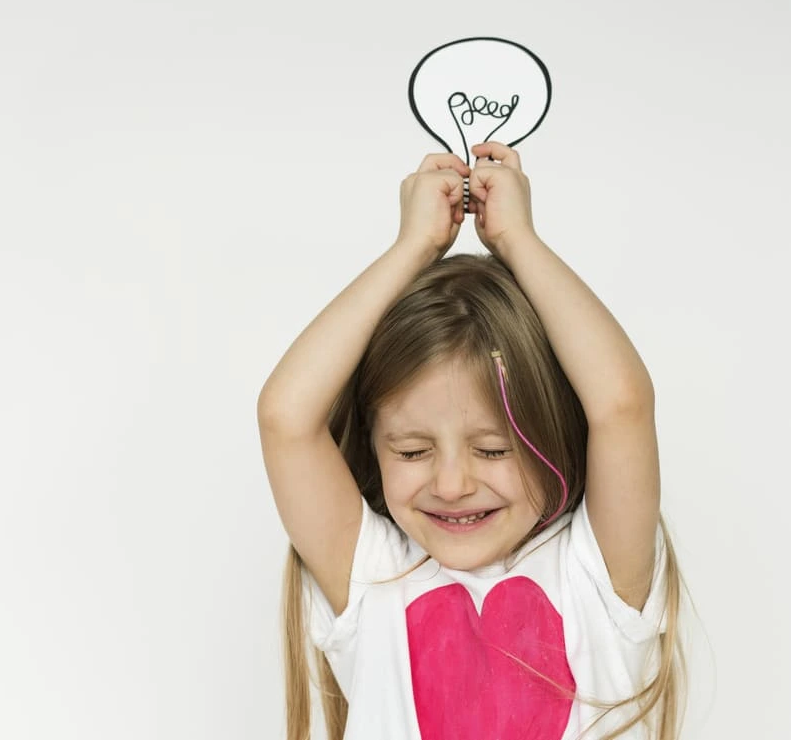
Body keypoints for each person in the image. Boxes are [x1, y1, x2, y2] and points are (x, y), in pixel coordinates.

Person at [257, 142, 687, 740]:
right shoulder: (375, 585)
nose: (453, 484)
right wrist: (412, 249)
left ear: (554, 434)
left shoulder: (597, 577)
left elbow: (622, 405)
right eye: (411, 452)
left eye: (493, 449)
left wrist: (518, 241)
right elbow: (286, 417)